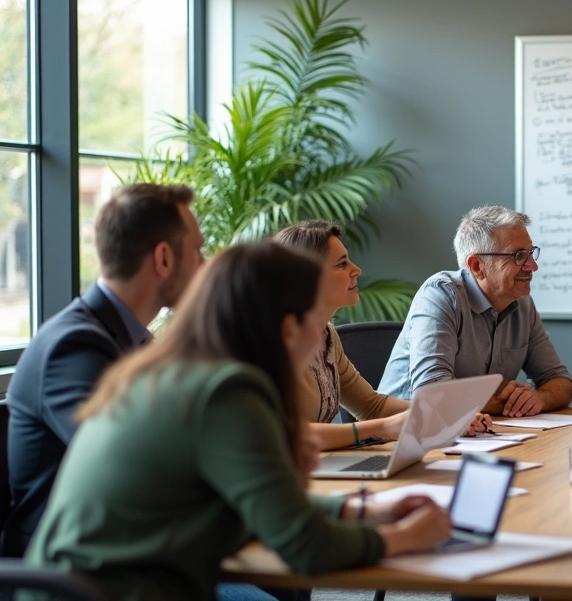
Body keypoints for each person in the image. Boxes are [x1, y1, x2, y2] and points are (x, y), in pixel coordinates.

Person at [26, 243, 453, 601]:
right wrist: (406, 538)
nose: (321, 335)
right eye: (316, 318)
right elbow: (305, 547)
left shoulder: (175, 373)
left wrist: (360, 509)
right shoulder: (227, 392)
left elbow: (254, 504)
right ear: (288, 328)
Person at [3, 183, 205, 557]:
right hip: (77, 566)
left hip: (134, 547)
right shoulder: (74, 346)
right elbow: (137, 467)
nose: (204, 266)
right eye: (197, 251)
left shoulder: (133, 340)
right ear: (163, 258)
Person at [274, 221, 491, 450]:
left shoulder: (328, 336)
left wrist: (450, 414)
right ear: (307, 278)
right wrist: (382, 427)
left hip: (318, 464)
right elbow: (285, 433)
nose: (356, 270)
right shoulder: (270, 342)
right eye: (341, 264)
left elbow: (372, 406)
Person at [379, 206, 572, 417]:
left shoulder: (522, 303)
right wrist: (502, 403)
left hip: (476, 428)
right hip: (402, 430)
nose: (532, 266)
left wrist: (538, 399)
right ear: (477, 266)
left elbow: (560, 381)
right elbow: (432, 391)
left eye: (530, 253)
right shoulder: (440, 295)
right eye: (518, 255)